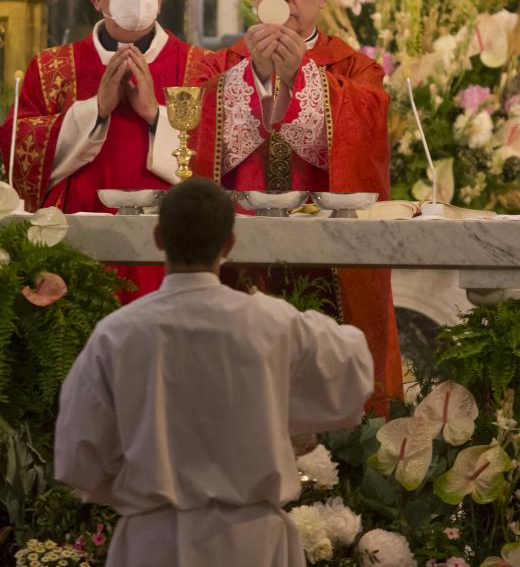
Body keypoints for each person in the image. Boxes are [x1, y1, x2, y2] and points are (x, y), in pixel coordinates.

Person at [54, 178, 374, 567]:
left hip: (154, 542)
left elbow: (79, 456)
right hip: (252, 542)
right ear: (229, 244)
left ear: (157, 237)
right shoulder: (271, 322)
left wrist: (145, 493)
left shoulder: (118, 333)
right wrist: (283, 414)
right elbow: (353, 367)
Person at [186, 0, 402, 415]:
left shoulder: (356, 68)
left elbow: (365, 146)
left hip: (331, 264)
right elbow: (193, 152)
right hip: (239, 259)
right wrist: (256, 79)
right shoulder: (217, 67)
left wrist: (299, 78)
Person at [0, 0, 208, 303]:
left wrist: (154, 114)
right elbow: (19, 151)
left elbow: (219, 159)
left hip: (169, 249)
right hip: (73, 247)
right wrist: (95, 109)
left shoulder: (201, 66)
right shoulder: (52, 68)